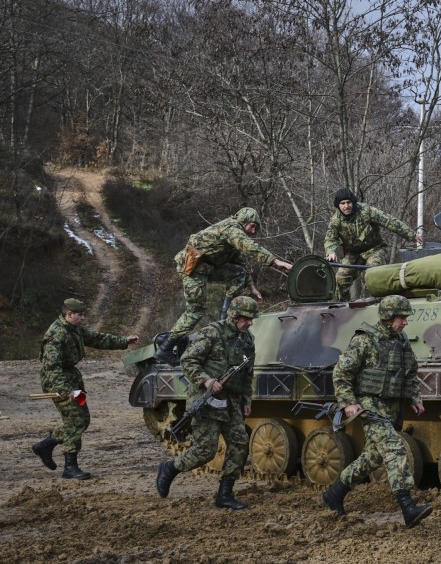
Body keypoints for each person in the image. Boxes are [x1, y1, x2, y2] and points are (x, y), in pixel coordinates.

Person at [320, 294, 433, 528]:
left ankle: (334, 494)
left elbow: (410, 372)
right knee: (394, 447)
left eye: (406, 318)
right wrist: (349, 402)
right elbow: (341, 374)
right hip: (368, 406)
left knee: (372, 457)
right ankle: (408, 507)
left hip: (392, 408)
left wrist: (414, 397)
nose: (405, 322)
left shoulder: (401, 341)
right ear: (387, 316)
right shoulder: (365, 340)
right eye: (401, 317)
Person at [155, 296, 260, 510]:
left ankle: (225, 495)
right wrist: (207, 380)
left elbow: (248, 372)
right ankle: (170, 468)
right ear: (234, 316)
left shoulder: (247, 339)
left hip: (232, 402)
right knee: (206, 450)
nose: (250, 323)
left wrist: (247, 400)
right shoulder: (212, 333)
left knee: (240, 444)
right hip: (207, 400)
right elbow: (187, 360)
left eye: (251, 319)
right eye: (246, 318)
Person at [158, 207, 291, 358]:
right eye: (252, 226)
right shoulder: (231, 229)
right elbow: (250, 247)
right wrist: (276, 261)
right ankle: (165, 348)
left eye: (256, 228)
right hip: (193, 268)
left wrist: (252, 288)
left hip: (208, 268)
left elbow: (241, 265)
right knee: (195, 310)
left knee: (238, 273)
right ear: (243, 221)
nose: (254, 231)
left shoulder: (234, 237)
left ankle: (223, 323)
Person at [32, 298, 139, 480]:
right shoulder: (55, 335)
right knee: (75, 420)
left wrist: (123, 341)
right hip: (59, 382)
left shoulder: (74, 329)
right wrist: (66, 391)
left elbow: (96, 339)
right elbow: (52, 368)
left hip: (73, 379)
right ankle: (70, 468)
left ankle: (46, 445)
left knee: (83, 418)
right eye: (80, 315)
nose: (83, 318)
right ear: (69, 314)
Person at [324, 188, 418, 300]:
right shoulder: (335, 220)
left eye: (348, 202)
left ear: (353, 202)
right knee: (340, 279)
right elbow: (330, 238)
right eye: (342, 203)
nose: (346, 206)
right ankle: (343, 307)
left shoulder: (366, 211)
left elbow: (388, 221)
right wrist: (331, 252)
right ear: (338, 206)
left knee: (373, 274)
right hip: (355, 253)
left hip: (375, 249)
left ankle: (380, 304)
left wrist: (410, 235)